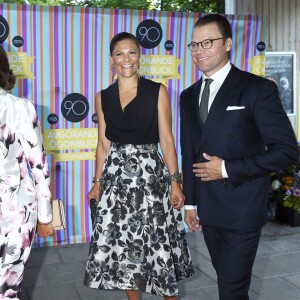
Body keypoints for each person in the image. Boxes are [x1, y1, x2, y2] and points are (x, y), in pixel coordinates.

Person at [180, 14, 298, 300]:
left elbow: (287, 151)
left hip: (242, 205)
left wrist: (227, 169)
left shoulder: (257, 88)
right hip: (209, 207)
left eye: (208, 42)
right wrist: (191, 203)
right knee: (229, 284)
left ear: (228, 43)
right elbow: (190, 152)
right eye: (194, 45)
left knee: (231, 290)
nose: (199, 51)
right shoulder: (187, 95)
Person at [84, 32, 194, 300]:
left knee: (158, 241)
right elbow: (102, 144)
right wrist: (96, 184)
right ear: (112, 59)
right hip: (116, 178)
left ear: (139, 56)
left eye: (132, 52)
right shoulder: (102, 97)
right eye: (120, 53)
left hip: (150, 177)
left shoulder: (157, 91)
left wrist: (175, 182)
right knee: (124, 244)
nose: (126, 59)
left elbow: (167, 140)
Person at [0, 45, 54, 299]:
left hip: (14, 217)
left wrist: (45, 217)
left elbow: (39, 166)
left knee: (6, 290)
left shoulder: (19, 108)